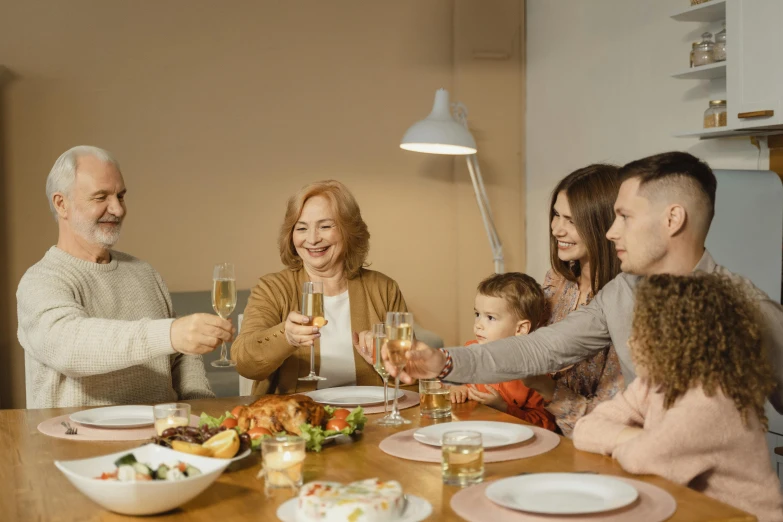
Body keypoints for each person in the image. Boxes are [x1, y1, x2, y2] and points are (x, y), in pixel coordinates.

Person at [385, 151, 783, 414]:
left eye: (625, 217)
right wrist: (444, 362)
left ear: (673, 219)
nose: (610, 232)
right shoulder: (621, 293)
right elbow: (541, 348)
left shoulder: (750, 309)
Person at [17, 146, 232, 409]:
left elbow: (181, 359)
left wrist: (201, 409)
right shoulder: (40, 281)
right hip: (72, 443)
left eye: (121, 195)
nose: (117, 209)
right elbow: (70, 345)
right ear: (61, 204)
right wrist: (169, 333)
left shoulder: (144, 272)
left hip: (161, 441)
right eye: (101, 197)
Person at [573, 274, 783, 522]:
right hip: (695, 511)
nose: (630, 342)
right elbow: (584, 429)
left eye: (641, 333)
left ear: (676, 341)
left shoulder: (711, 401)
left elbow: (641, 458)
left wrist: (640, 440)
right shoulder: (653, 385)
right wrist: (644, 436)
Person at [232, 180, 407, 395]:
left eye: (325, 226)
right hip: (296, 419)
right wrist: (286, 337)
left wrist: (388, 354)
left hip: (371, 413)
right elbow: (244, 362)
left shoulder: (383, 288)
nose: (313, 239)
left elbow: (411, 374)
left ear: (348, 231)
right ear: (291, 235)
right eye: (302, 228)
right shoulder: (272, 288)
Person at [523, 165, 624, 437]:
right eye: (556, 215)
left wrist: (547, 389)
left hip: (590, 449)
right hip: (534, 429)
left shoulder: (626, 303)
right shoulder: (556, 281)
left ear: (607, 225)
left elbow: (610, 426)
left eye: (572, 220)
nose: (556, 229)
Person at [448, 273, 556, 430]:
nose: (478, 325)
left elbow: (546, 424)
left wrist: (504, 408)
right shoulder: (470, 350)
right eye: (477, 314)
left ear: (520, 328)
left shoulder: (534, 373)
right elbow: (440, 381)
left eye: (490, 318)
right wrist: (455, 387)